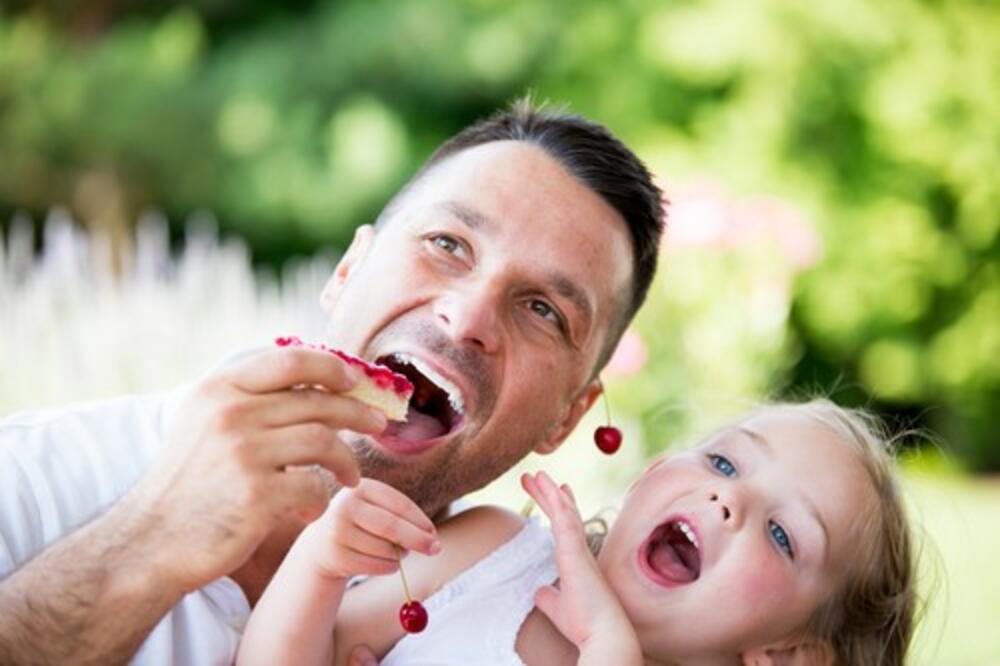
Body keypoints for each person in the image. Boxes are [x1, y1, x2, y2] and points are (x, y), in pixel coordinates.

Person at [0, 99, 665, 665]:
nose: (467, 319)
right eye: (447, 244)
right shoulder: (29, 479)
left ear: (567, 420)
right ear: (348, 269)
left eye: (543, 310)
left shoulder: (511, 627)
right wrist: (154, 536)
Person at [236, 400, 918, 666]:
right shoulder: (495, 555)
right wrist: (319, 566)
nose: (729, 499)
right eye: (722, 461)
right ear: (654, 472)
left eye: (782, 535)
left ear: (787, 654)